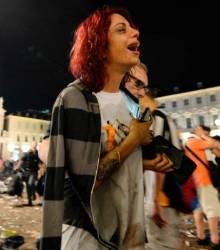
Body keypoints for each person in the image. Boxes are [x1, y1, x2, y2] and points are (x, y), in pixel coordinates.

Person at [40, 7, 173, 250]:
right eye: (122, 29)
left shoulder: (131, 106)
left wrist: (145, 161)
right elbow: (86, 183)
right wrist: (133, 140)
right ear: (98, 45)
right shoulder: (77, 98)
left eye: (132, 28)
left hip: (128, 235)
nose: (136, 33)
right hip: (87, 235)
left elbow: (116, 165)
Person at [140, 91, 183, 249]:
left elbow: (162, 161)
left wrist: (155, 200)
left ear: (144, 98)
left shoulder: (155, 119)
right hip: (166, 196)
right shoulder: (166, 119)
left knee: (160, 243)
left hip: (160, 198)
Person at [185, 125, 220, 249]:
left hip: (194, 182)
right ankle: (215, 240)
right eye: (206, 133)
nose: (207, 136)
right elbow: (214, 144)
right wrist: (203, 135)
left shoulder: (188, 142)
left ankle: (201, 237)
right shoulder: (195, 142)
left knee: (198, 210)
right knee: (212, 211)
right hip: (203, 180)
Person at [21, 141, 40, 206]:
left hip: (34, 171)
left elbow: (40, 162)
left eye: (35, 144)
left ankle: (33, 193)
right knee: (28, 186)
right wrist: (17, 167)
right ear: (31, 145)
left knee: (31, 183)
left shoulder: (38, 153)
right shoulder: (27, 152)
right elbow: (22, 160)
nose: (34, 145)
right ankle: (30, 201)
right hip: (26, 171)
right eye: (33, 144)